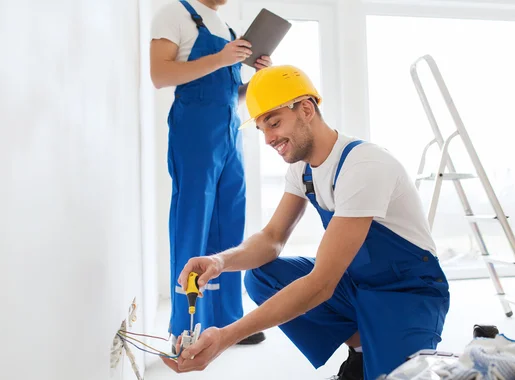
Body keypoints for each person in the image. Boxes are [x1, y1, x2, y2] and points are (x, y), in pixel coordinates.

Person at [162, 65, 451, 380]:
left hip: (406, 291)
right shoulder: (302, 170)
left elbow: (321, 285)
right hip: (356, 283)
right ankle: (360, 351)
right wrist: (220, 261)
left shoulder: (364, 166)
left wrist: (227, 336)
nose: (270, 139)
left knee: (398, 377)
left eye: (274, 123)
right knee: (261, 276)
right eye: (262, 129)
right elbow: (272, 238)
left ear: (306, 109)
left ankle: (386, 348)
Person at [149, 0, 271, 346]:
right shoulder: (173, 14)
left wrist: (258, 75)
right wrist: (222, 57)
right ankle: (185, 326)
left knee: (230, 222)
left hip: (230, 130)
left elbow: (233, 92)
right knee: (193, 222)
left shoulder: (226, 27)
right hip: (195, 129)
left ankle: (228, 321)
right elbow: (161, 75)